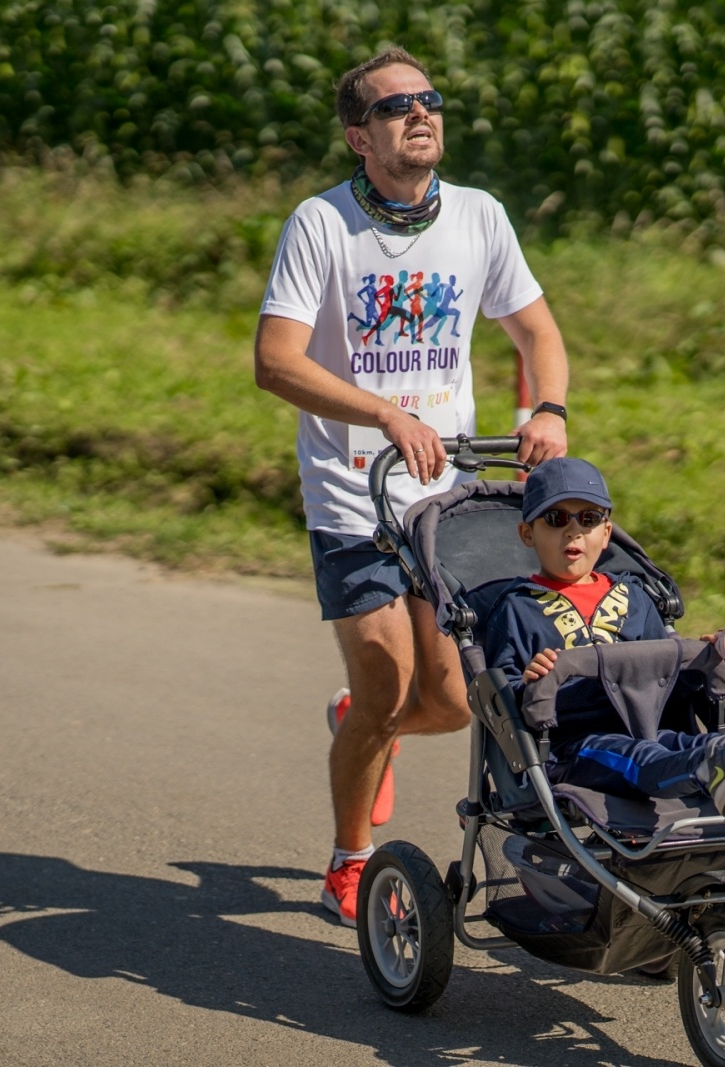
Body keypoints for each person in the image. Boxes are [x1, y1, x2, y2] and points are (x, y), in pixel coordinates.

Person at [254, 47, 571, 927]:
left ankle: (361, 724)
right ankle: (348, 863)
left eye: (428, 101)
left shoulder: (479, 216)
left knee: (456, 698)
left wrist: (549, 406)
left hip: (447, 497)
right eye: (397, 108)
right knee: (392, 685)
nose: (420, 115)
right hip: (353, 491)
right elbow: (275, 364)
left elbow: (536, 331)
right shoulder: (320, 225)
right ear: (361, 137)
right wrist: (387, 415)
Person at [484, 458, 725, 813]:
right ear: (526, 533)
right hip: (576, 747)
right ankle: (714, 771)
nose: (573, 530)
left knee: (696, 746)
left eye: (588, 518)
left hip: (651, 725)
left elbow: (664, 672)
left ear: (606, 534)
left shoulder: (633, 596)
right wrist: (532, 679)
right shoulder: (517, 607)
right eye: (555, 519)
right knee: (639, 757)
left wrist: (700, 659)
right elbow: (500, 698)